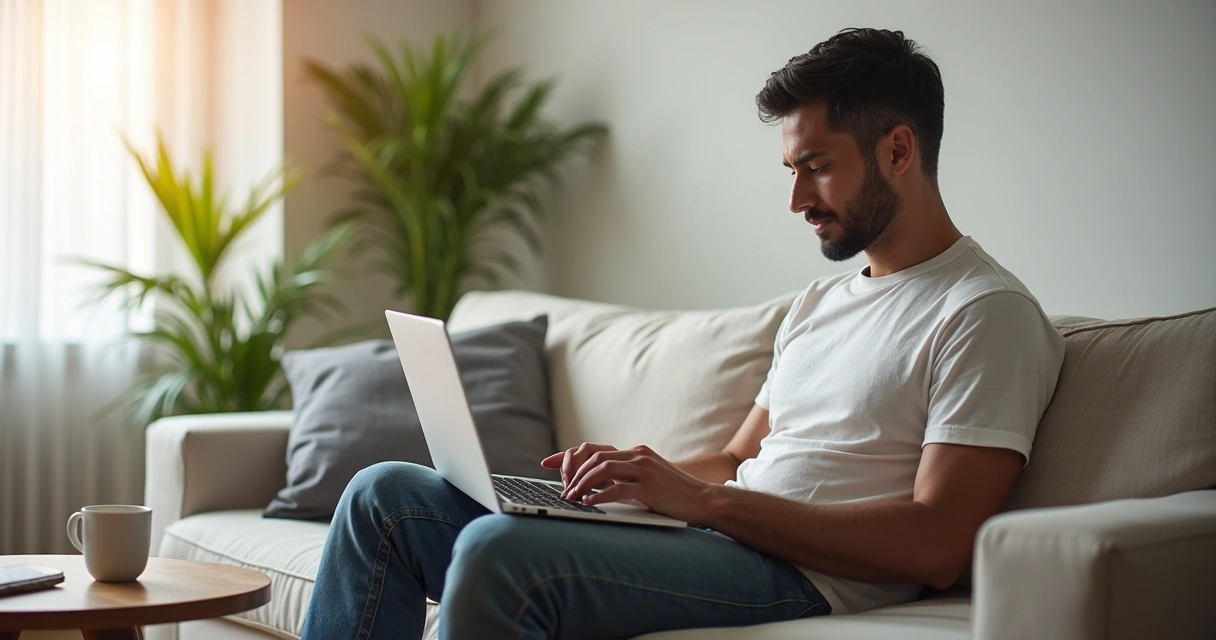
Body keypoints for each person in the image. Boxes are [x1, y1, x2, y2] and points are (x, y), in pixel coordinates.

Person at [301, 27, 1066, 640]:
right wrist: (628, 481)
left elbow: (936, 543)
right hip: (719, 541)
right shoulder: (821, 305)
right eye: (791, 170)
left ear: (898, 150)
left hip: (799, 576)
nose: (797, 197)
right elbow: (737, 458)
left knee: (498, 556)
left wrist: (702, 503)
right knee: (385, 496)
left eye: (817, 167)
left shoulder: (983, 311)